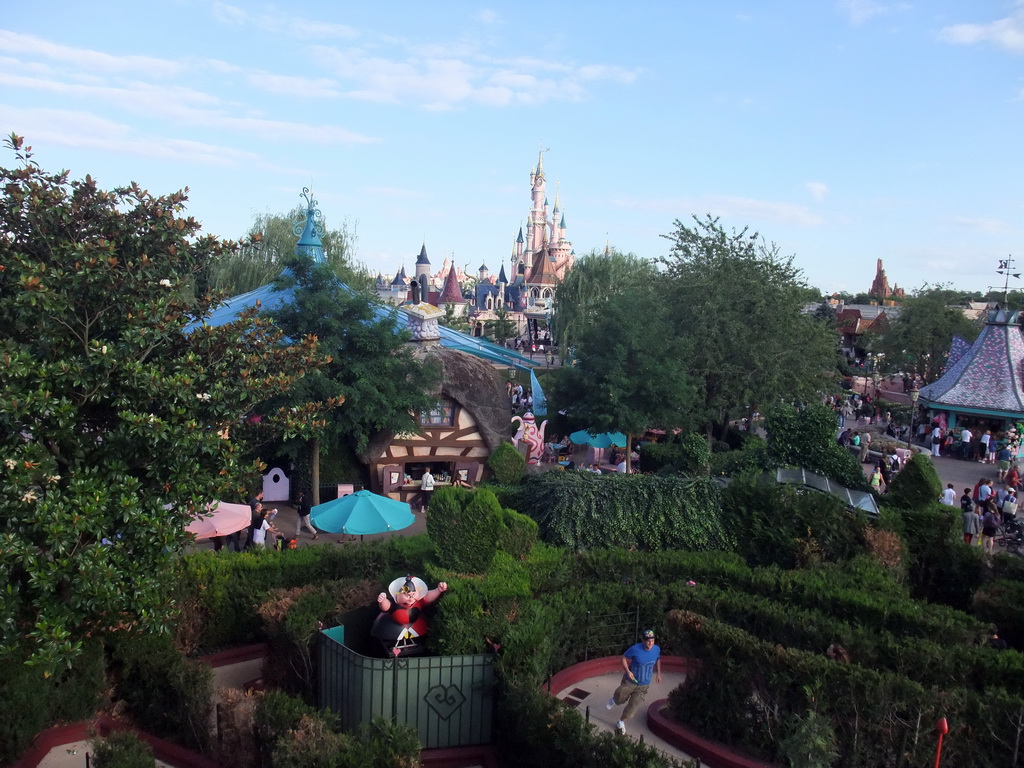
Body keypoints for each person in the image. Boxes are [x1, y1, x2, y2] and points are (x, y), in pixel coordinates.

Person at [605, 629, 661, 735]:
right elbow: (623, 658)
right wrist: (628, 671)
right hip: (630, 681)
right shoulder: (635, 649)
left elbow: (658, 659)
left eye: (653, 641)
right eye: (648, 641)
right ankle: (614, 699)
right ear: (643, 641)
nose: (650, 643)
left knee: (633, 706)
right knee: (620, 697)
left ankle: (621, 721)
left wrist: (658, 673)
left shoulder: (656, 649)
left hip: (644, 685)